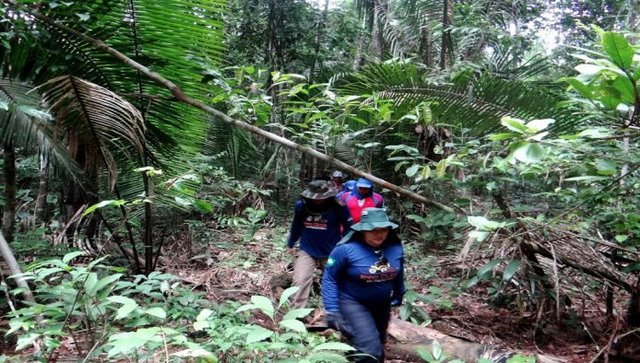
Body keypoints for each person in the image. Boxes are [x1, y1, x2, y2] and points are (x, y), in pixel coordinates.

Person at [322, 208, 405, 363]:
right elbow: (329, 279)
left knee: (378, 343)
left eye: (383, 229)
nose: (378, 234)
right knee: (370, 351)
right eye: (372, 229)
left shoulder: (395, 247)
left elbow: (399, 272)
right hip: (352, 302)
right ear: (363, 230)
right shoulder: (345, 249)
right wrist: (332, 310)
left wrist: (399, 293)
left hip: (382, 304)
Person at [286, 180, 351, 309]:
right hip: (308, 250)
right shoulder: (302, 206)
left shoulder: (339, 207)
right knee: (300, 281)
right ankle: (296, 314)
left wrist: (346, 245)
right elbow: (296, 226)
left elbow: (349, 227)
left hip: (332, 252)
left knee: (337, 280)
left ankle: (337, 312)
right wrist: (290, 243)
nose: (318, 200)